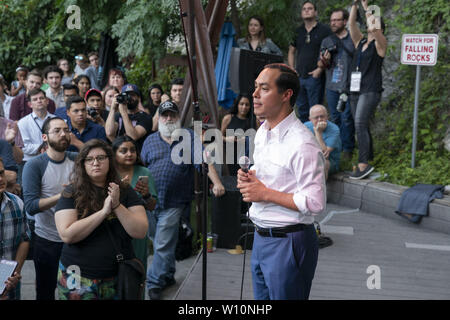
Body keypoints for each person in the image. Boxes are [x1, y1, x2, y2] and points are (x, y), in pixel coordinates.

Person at [237, 63, 326, 300]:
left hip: (289, 242)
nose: (254, 95)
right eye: (255, 87)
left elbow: (315, 203)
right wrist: (251, 177)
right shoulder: (264, 131)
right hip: (260, 237)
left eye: (264, 88)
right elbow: (273, 174)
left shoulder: (303, 143)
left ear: (286, 95)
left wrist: (263, 193)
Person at [140, 100, 225, 300]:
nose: (168, 119)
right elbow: (141, 167)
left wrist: (217, 182)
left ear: (178, 118)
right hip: (149, 201)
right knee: (159, 241)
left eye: (172, 115)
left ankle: (153, 284)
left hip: (175, 202)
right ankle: (168, 275)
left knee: (162, 242)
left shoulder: (188, 137)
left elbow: (204, 159)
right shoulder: (149, 140)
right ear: (159, 118)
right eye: (164, 115)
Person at [54, 139, 148, 300]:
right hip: (77, 276)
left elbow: (140, 231)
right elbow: (67, 234)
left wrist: (117, 205)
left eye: (101, 158)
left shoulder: (124, 191)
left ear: (109, 161)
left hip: (117, 276)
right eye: (89, 159)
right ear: (82, 164)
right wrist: (103, 212)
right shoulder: (72, 192)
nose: (95, 163)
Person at [22, 117, 76, 300]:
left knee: (74, 292)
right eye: (57, 131)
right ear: (45, 137)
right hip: (47, 240)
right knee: (45, 293)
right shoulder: (34, 165)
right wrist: (62, 196)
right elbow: (30, 206)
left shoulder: (77, 160)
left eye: (66, 130)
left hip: (75, 239)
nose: (63, 134)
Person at [348, 0, 387, 179]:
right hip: (356, 90)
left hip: (370, 90)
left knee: (360, 123)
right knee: (360, 126)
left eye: (374, 22)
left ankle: (363, 164)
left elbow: (376, 29)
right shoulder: (361, 42)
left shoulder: (380, 44)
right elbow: (351, 25)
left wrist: (366, 8)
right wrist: (354, 5)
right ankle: (367, 159)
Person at [113, 135, 157, 274]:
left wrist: (146, 195)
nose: (130, 154)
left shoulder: (143, 172)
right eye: (123, 151)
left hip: (137, 231)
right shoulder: (109, 174)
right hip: (113, 231)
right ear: (114, 153)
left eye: (133, 150)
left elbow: (152, 206)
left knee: (136, 271)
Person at [318, 8, 355, 160]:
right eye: (331, 20)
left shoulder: (353, 38)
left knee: (347, 117)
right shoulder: (327, 41)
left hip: (350, 84)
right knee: (335, 117)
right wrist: (325, 60)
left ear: (345, 22)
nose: (333, 23)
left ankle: (348, 149)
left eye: (336, 20)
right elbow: (320, 64)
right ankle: (337, 149)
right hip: (332, 85)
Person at [288, 1, 332, 123]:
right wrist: (292, 69)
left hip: (315, 76)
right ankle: (305, 140)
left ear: (315, 12)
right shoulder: (297, 31)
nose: (307, 10)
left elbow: (330, 52)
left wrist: (320, 69)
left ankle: (316, 139)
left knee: (316, 111)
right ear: (301, 13)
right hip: (299, 76)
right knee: (302, 110)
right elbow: (291, 51)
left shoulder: (324, 30)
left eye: (310, 8)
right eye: (304, 9)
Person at [0, 157, 31, 300]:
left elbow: (24, 238)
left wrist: (15, 272)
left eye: (1, 173)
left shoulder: (17, 203)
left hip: (10, 283)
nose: (0, 179)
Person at [105, 84, 152, 152]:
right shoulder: (117, 115)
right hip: (118, 155)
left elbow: (133, 137)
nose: (129, 98)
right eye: (126, 95)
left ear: (139, 98)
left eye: (132, 95)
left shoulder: (145, 117)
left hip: (137, 156)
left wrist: (124, 113)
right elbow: (109, 133)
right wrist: (112, 109)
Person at [304, 104, 342, 180]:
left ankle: (320, 191)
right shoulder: (305, 127)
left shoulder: (334, 129)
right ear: (310, 119)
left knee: (323, 163)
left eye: (322, 116)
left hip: (331, 161)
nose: (320, 119)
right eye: (316, 117)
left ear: (327, 117)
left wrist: (318, 133)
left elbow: (324, 155)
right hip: (311, 158)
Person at [17, 89, 56, 162]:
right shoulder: (22, 123)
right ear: (30, 104)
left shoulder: (57, 120)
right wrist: (43, 148)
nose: (39, 101)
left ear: (47, 101)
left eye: (41, 98)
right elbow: (24, 146)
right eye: (35, 99)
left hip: (53, 159)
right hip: (30, 161)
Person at [220, 94, 253, 176]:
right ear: (237, 105)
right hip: (230, 156)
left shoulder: (253, 121)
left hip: (246, 158)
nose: (244, 107)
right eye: (241, 104)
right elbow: (219, 136)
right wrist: (227, 139)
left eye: (247, 105)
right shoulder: (228, 118)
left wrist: (247, 139)